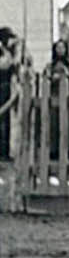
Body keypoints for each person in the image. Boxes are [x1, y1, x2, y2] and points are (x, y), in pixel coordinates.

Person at [0, 27, 18, 161]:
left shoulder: (10, 52)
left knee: (5, 120)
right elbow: (5, 65)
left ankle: (4, 151)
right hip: (1, 85)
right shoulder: (3, 53)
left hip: (6, 87)